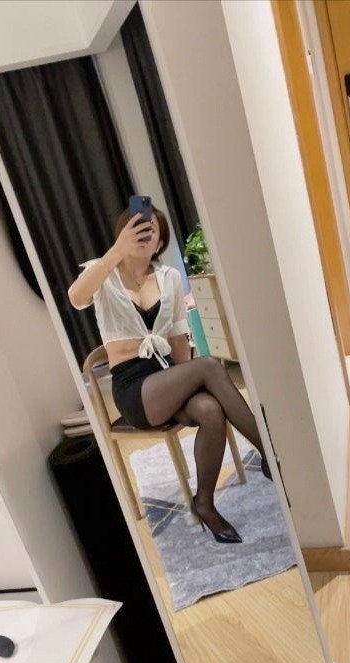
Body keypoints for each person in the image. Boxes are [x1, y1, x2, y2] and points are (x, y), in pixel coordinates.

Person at [68, 205, 272, 544]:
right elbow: (76, 298)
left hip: (167, 375)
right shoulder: (103, 273)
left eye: (152, 231)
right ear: (123, 232)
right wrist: (116, 251)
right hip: (134, 389)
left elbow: (178, 339)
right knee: (209, 365)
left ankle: (204, 503)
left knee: (210, 409)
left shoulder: (169, 278)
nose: (145, 235)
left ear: (161, 241)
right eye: (138, 228)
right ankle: (270, 454)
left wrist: (188, 386)